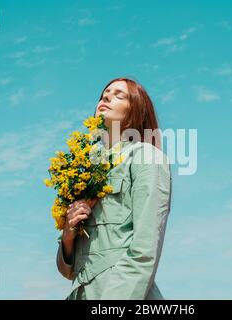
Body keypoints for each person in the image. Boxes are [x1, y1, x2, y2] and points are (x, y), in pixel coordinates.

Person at [56, 77, 172, 300]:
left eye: (119, 95)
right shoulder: (85, 168)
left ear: (135, 110)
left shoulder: (145, 156)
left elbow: (144, 251)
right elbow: (69, 271)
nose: (107, 96)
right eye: (105, 94)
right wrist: (68, 235)